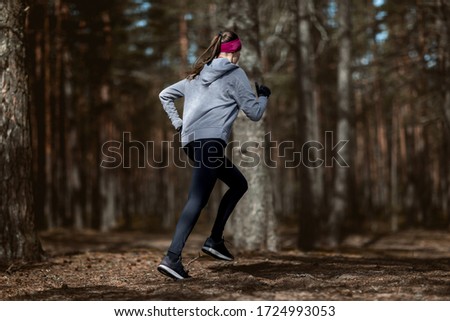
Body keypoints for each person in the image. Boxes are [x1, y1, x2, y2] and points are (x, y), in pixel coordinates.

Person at [157, 30, 271, 280]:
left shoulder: (196, 76)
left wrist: (179, 124)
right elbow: (253, 113)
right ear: (234, 53)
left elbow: (164, 95)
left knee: (239, 184)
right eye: (238, 53)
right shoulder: (234, 73)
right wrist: (263, 96)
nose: (239, 58)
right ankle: (172, 258)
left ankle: (215, 240)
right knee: (197, 199)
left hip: (191, 143)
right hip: (210, 143)